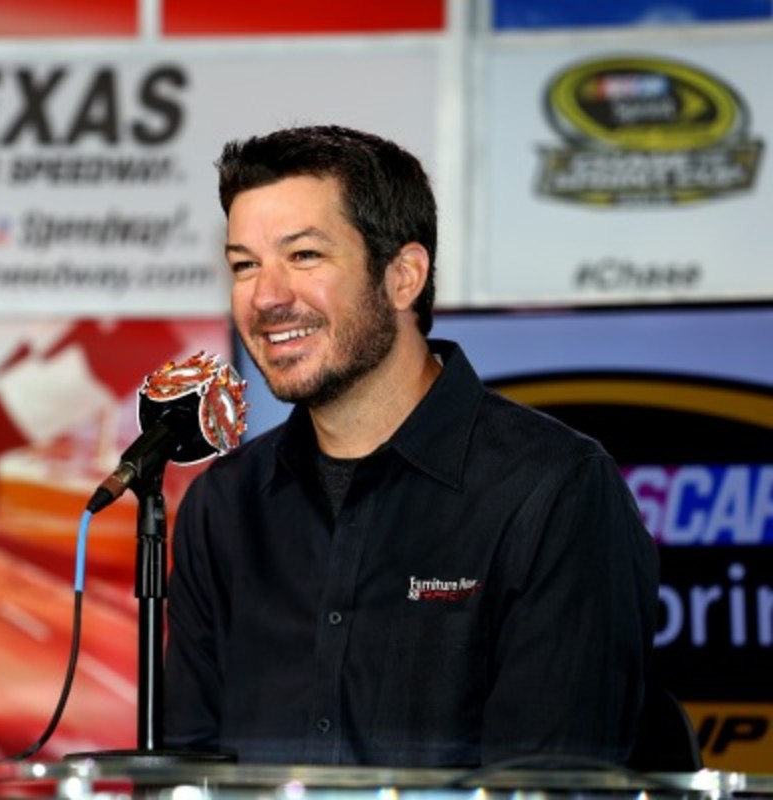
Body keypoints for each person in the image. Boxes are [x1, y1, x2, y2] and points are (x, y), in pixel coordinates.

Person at [163, 125, 660, 767]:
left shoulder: (553, 490)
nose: (267, 297)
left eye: (305, 256)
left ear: (403, 276)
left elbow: (554, 782)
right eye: (244, 265)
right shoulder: (224, 506)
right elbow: (186, 772)